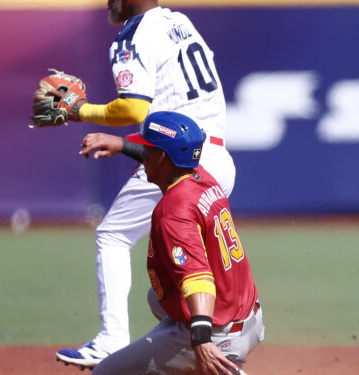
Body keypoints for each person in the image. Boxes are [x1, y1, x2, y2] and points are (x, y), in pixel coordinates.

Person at [50, 0, 236, 367]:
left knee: (113, 236)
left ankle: (112, 340)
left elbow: (134, 109)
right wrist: (123, 144)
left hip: (178, 160)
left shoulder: (134, 33)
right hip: (216, 158)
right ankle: (205, 347)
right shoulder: (179, 22)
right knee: (170, 283)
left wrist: (79, 110)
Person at [79, 111, 263, 375]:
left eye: (146, 149)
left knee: (103, 374)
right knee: (156, 298)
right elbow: (163, 157)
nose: (142, 154)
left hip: (218, 331)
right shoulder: (202, 176)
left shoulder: (173, 211)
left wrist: (201, 339)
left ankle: (218, 364)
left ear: (162, 157)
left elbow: (198, 280)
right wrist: (121, 145)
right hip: (248, 316)